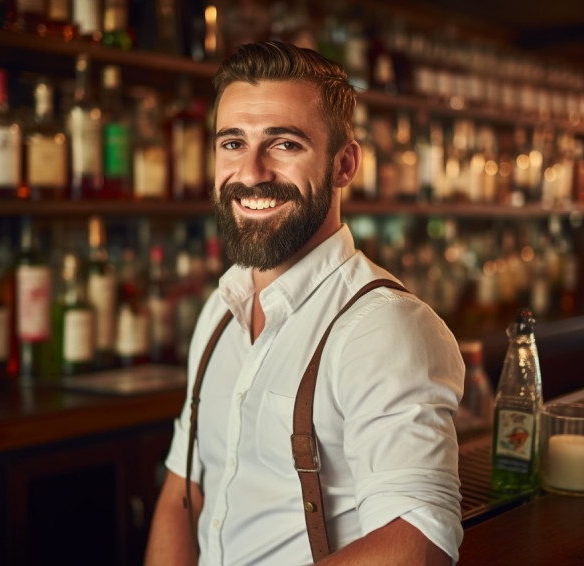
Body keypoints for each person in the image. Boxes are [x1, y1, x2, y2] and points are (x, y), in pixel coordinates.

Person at [145, 41, 464, 566]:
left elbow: (417, 545)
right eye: (232, 143)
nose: (250, 172)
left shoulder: (382, 327)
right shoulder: (219, 312)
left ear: (344, 164)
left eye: (284, 144)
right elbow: (184, 494)